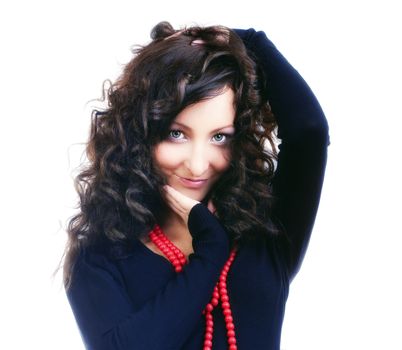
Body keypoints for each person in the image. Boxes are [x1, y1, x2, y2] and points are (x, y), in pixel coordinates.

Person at [63, 21, 329, 350]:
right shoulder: (99, 260)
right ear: (139, 135)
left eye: (219, 137)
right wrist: (209, 250)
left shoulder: (267, 236)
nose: (198, 164)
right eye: (177, 134)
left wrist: (243, 41)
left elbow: (310, 130)